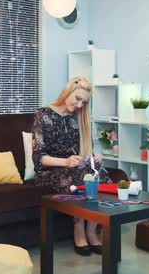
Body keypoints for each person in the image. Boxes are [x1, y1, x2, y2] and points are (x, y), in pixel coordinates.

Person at [32, 76, 112, 256]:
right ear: (68, 92)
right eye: (77, 99)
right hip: (50, 171)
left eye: (83, 102)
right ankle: (78, 228)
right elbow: (39, 158)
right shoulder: (43, 115)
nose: (79, 105)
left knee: (101, 174)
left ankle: (92, 229)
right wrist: (65, 162)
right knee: (78, 175)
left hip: (75, 167)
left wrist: (94, 158)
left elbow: (85, 153)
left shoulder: (79, 119)